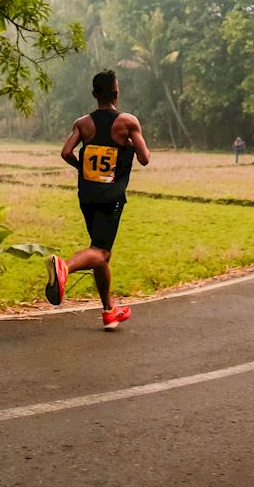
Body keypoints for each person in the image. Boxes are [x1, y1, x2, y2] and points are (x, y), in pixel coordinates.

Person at [49, 70, 151, 330]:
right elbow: (144, 157)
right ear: (117, 93)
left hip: (87, 195)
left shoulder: (83, 124)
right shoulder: (127, 122)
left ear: (95, 94)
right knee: (101, 251)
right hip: (111, 196)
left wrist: (82, 168)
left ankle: (109, 310)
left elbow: (66, 152)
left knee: (99, 253)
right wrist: (128, 142)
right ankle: (64, 267)